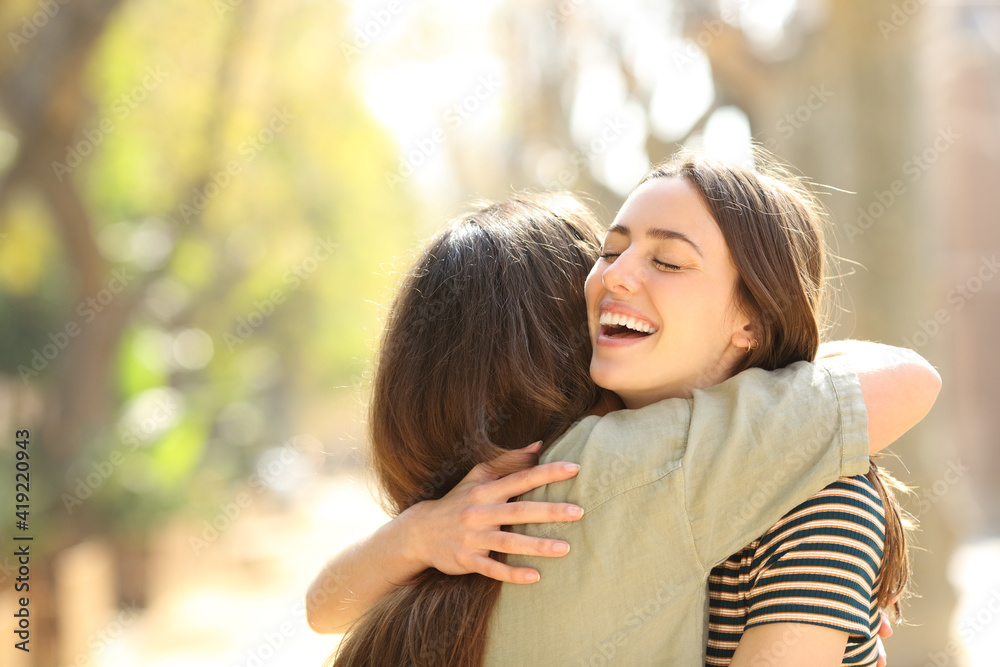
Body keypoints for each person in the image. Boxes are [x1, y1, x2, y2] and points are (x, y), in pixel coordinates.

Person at [311, 153, 940, 666]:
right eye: (609, 253)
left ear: (751, 318)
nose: (616, 276)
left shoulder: (818, 492)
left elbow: (324, 609)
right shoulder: (562, 470)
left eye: (667, 260)